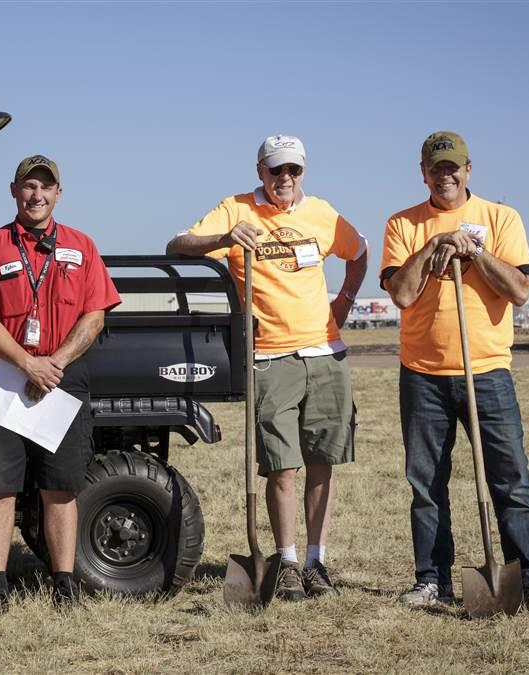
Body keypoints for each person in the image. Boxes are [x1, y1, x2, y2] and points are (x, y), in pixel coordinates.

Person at [166, 135, 367, 601]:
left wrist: (345, 301)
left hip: (324, 353)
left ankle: (317, 560)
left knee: (323, 462)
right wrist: (223, 238)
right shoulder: (236, 209)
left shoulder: (322, 213)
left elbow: (357, 254)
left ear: (304, 172)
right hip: (269, 356)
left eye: (293, 170)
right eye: (276, 170)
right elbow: (178, 243)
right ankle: (288, 560)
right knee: (282, 465)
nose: (285, 179)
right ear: (260, 171)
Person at [380, 131, 529, 612]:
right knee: (426, 483)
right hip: (423, 374)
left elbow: (519, 290)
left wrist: (473, 252)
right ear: (423, 172)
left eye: (453, 166)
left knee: (510, 477)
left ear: (468, 170)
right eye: (436, 168)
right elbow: (402, 294)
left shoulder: (502, 218)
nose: (445, 175)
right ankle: (432, 579)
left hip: (488, 371)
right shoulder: (403, 224)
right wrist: (435, 242)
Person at [0, 155, 120, 613]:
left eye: (46, 187)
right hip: (3, 377)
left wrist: (55, 362)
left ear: (59, 194)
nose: (37, 195)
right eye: (29, 186)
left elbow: (95, 314)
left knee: (60, 484)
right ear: (14, 190)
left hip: (63, 377)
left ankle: (63, 583)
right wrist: (28, 362)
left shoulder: (82, 247)